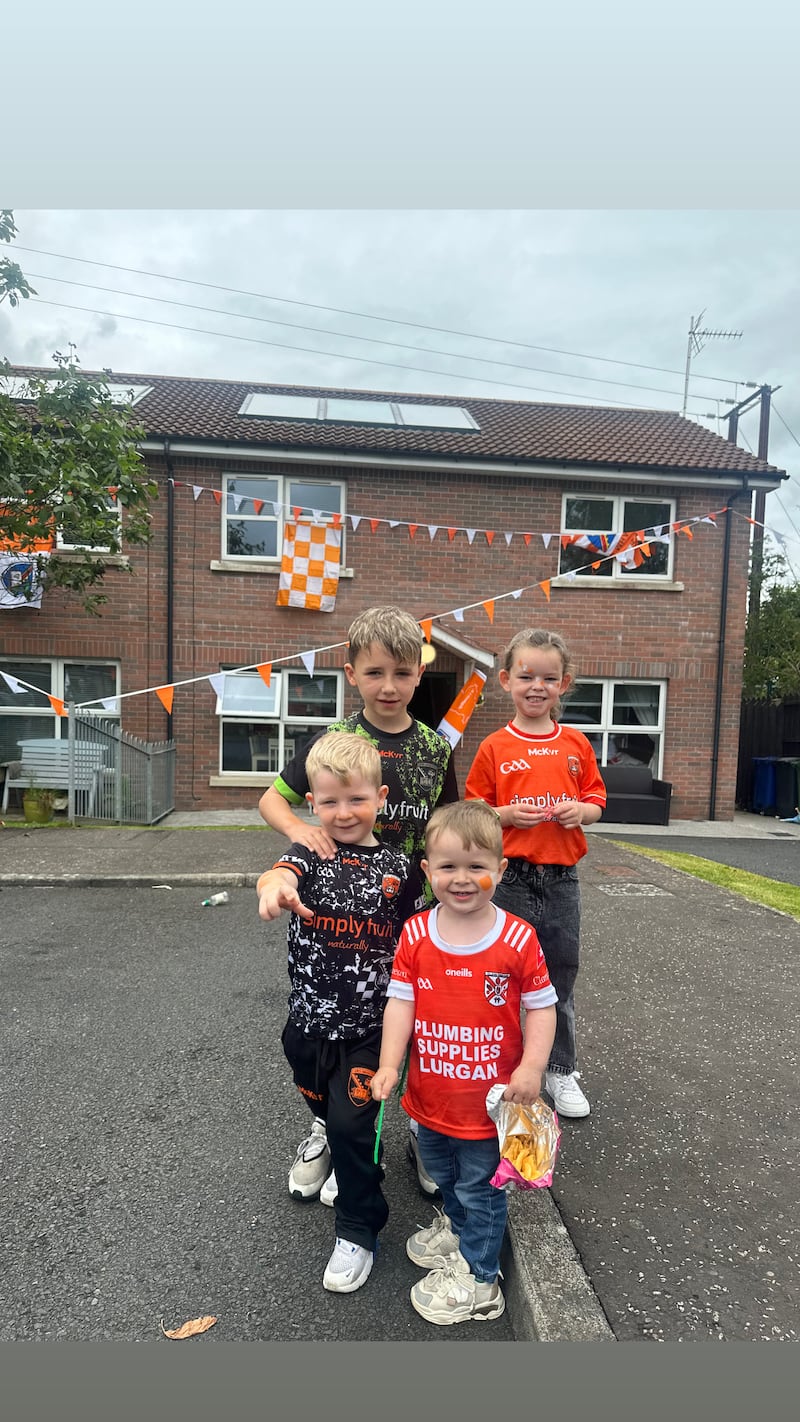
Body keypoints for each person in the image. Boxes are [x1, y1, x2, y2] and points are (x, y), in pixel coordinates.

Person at [259, 605, 458, 1202]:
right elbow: (273, 798)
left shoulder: (433, 748)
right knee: (320, 1033)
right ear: (351, 673)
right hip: (335, 924)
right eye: (375, 673)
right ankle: (327, 1127)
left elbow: (448, 823)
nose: (389, 686)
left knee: (418, 1027)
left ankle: (425, 1131)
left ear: (419, 675)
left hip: (413, 915)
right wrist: (302, 832)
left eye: (402, 673)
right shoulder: (334, 743)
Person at [371, 799, 557, 1326]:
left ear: (500, 870)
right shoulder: (415, 934)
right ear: (427, 871)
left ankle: (480, 1279)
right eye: (448, 866)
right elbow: (401, 1003)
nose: (462, 879)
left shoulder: (519, 938)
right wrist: (390, 1065)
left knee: (482, 1188)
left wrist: (533, 1069)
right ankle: (458, 1229)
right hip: (429, 1098)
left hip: (488, 1107)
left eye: (477, 866)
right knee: (447, 1179)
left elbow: (543, 1008)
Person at [256, 731, 418, 1293]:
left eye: (356, 799)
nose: (343, 813)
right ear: (312, 804)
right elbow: (278, 872)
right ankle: (329, 1141)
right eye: (329, 802)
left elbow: (424, 929)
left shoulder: (401, 868)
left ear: (380, 797)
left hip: (371, 1031)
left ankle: (358, 1228)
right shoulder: (308, 850)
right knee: (319, 1100)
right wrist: (272, 884)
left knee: (354, 1129)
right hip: (307, 1026)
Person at [464, 628, 606, 1119]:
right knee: (501, 978)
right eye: (526, 676)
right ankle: (502, 1071)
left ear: (563, 684)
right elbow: (474, 808)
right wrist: (503, 815)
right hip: (512, 880)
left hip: (562, 880)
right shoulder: (495, 746)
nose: (536, 686)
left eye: (548, 677)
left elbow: (597, 800)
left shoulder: (576, 743)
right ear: (506, 680)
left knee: (559, 978)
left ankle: (560, 1070)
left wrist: (580, 812)